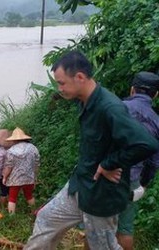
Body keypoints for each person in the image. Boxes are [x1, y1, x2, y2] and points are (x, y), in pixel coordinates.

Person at [24, 51, 159, 250]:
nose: (59, 88)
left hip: (102, 195)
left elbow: (146, 144)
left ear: (79, 77)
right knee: (46, 218)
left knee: (102, 246)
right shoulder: (85, 100)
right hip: (80, 185)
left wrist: (109, 163)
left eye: (61, 83)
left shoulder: (110, 107)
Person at [116, 72, 159, 250]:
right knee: (125, 229)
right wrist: (143, 183)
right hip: (132, 180)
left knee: (96, 227)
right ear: (156, 94)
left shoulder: (116, 108)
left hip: (104, 175)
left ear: (132, 89)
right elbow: (154, 161)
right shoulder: (157, 121)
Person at [3, 127, 40, 213]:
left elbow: (9, 167)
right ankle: (34, 212)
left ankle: (11, 217)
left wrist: (5, 177)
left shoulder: (11, 151)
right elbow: (37, 164)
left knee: (12, 198)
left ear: (14, 140)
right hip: (29, 177)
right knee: (29, 196)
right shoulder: (33, 148)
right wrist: (35, 175)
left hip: (15, 179)